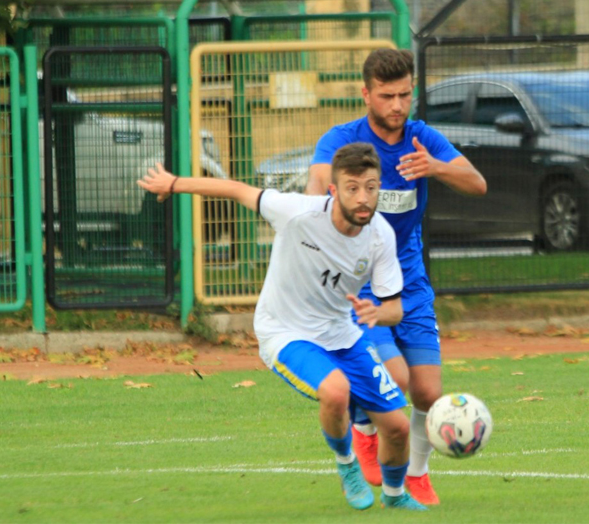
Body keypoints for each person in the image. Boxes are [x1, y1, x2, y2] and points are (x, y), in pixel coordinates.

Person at [138, 143, 426, 512]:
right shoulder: (297, 212)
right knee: (336, 391)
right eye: (352, 188)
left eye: (370, 188)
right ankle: (347, 465)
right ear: (333, 190)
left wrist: (377, 314)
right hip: (285, 332)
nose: (363, 198)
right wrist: (173, 183)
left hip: (343, 333)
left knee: (398, 427)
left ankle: (395, 496)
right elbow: (237, 190)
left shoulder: (380, 235)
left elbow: (395, 310)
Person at [305, 48, 487, 505]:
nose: (398, 105)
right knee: (394, 376)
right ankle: (364, 429)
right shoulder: (343, 140)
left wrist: (435, 167)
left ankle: (417, 475)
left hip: (410, 283)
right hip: (359, 285)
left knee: (428, 391)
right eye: (387, 96)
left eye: (405, 95)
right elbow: (317, 185)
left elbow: (477, 183)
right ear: (366, 94)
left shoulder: (422, 139)